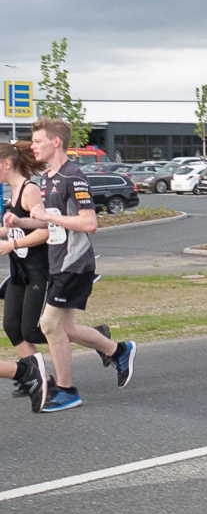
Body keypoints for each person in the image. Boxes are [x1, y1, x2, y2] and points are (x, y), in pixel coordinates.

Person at [13, 119, 135, 412]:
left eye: (38, 140)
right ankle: (118, 350)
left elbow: (89, 223)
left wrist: (50, 218)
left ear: (56, 142)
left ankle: (67, 390)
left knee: (49, 324)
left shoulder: (73, 177)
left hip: (75, 263)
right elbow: (45, 217)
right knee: (65, 328)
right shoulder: (47, 177)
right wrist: (20, 221)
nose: (33, 146)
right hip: (58, 262)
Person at [0, 142, 52, 412]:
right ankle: (40, 377)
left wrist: (13, 244)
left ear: (7, 164)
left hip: (37, 270)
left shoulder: (29, 190)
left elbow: (44, 230)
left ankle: (90, 336)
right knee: (11, 326)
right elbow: (15, 229)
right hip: (19, 270)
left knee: (32, 330)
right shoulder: (12, 192)